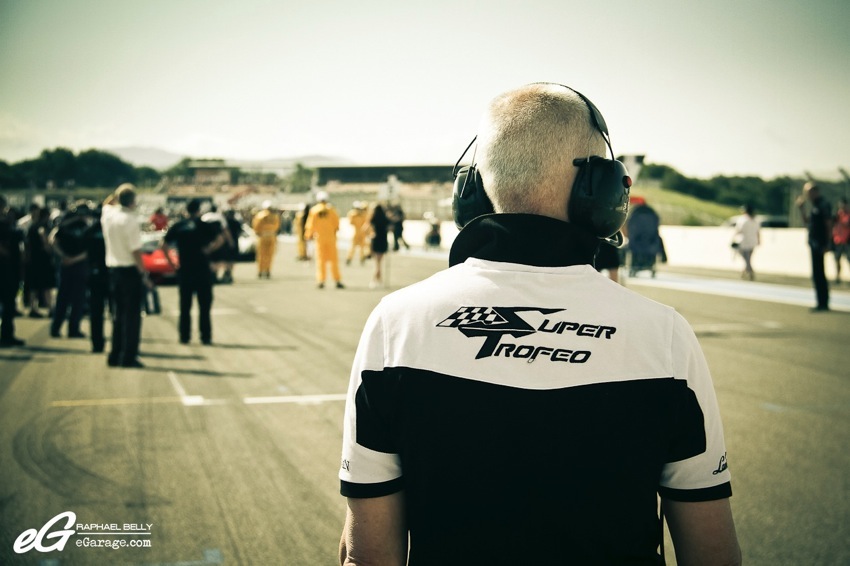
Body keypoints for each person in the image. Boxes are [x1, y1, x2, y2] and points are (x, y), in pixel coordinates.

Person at [338, 83, 741, 566]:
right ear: (603, 189)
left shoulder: (395, 324)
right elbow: (712, 553)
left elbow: (366, 557)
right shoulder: (664, 335)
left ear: (471, 189)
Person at [101, 183, 152, 368]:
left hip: (113, 270)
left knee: (117, 315)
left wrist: (118, 192)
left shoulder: (108, 214)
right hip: (129, 271)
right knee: (132, 318)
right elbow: (136, 251)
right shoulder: (129, 220)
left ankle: (115, 354)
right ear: (132, 201)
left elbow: (107, 203)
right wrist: (143, 273)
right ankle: (128, 356)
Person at [162, 199, 225, 345]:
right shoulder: (204, 225)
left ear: (186, 211)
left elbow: (164, 245)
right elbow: (221, 238)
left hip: (185, 270)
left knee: (185, 306)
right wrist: (209, 249)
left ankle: (184, 336)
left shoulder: (179, 226)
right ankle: (206, 336)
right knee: (205, 307)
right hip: (202, 269)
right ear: (199, 211)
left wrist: (172, 264)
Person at [49, 202, 92, 338]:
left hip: (66, 265)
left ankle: (55, 329)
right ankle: (73, 329)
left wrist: (63, 256)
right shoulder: (87, 227)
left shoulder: (63, 225)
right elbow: (89, 251)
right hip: (78, 265)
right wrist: (73, 259)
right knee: (77, 300)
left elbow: (52, 240)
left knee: (62, 299)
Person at [797, 182, 832, 311]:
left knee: (819, 272)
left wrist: (828, 243)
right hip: (813, 242)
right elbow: (807, 222)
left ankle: (823, 302)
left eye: (809, 192)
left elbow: (828, 224)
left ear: (815, 191)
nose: (807, 195)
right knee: (816, 273)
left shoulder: (823, 205)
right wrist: (801, 209)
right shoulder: (813, 206)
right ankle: (820, 301)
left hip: (821, 243)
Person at [0, 195, 25, 347]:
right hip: (5, 270)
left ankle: (7, 334)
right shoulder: (4, 225)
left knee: (9, 304)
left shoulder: (8, 224)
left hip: (10, 270)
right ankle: (7, 335)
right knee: (8, 304)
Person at [84, 206, 109, 353]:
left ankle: (97, 344)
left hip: (94, 275)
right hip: (111, 273)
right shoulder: (112, 229)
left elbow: (82, 251)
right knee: (117, 312)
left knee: (96, 313)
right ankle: (119, 345)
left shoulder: (89, 231)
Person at [306, 191, 344, 289]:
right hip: (331, 238)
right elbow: (337, 224)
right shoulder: (331, 209)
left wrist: (308, 235)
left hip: (319, 239)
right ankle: (337, 280)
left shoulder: (314, 210)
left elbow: (310, 225)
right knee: (334, 260)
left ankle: (321, 280)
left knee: (320, 260)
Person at [23, 206, 55, 318]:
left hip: (32, 260)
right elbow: (45, 241)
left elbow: (26, 244)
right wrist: (50, 249)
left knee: (33, 286)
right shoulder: (42, 227)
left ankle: (33, 308)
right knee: (46, 285)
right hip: (42, 260)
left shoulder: (31, 227)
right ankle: (51, 308)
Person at [252, 200, 280, 279]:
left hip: (263, 236)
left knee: (261, 254)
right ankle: (268, 270)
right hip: (272, 236)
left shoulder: (260, 215)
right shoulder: (275, 216)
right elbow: (277, 226)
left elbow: (256, 225)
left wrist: (257, 232)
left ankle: (261, 270)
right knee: (270, 254)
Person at [732, 204, 760, 280]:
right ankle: (744, 273)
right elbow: (757, 232)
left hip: (744, 242)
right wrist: (759, 240)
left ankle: (750, 273)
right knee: (748, 259)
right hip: (752, 242)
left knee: (747, 260)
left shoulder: (742, 220)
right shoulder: (755, 220)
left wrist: (733, 238)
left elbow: (738, 230)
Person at [368, 203, 390, 288]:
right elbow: (390, 227)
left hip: (376, 240)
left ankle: (375, 280)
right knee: (379, 262)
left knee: (377, 263)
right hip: (383, 241)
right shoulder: (385, 218)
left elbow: (367, 227)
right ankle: (379, 280)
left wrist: (371, 234)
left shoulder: (373, 217)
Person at [345, 201, 370, 266]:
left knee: (361, 247)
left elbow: (366, 222)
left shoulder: (363, 215)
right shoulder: (354, 215)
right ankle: (349, 258)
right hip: (357, 233)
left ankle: (361, 258)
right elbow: (351, 222)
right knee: (353, 247)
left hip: (361, 233)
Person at [832, 197, 850, 283]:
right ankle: (838, 277)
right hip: (838, 240)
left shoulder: (848, 215)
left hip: (847, 241)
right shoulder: (837, 215)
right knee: (837, 260)